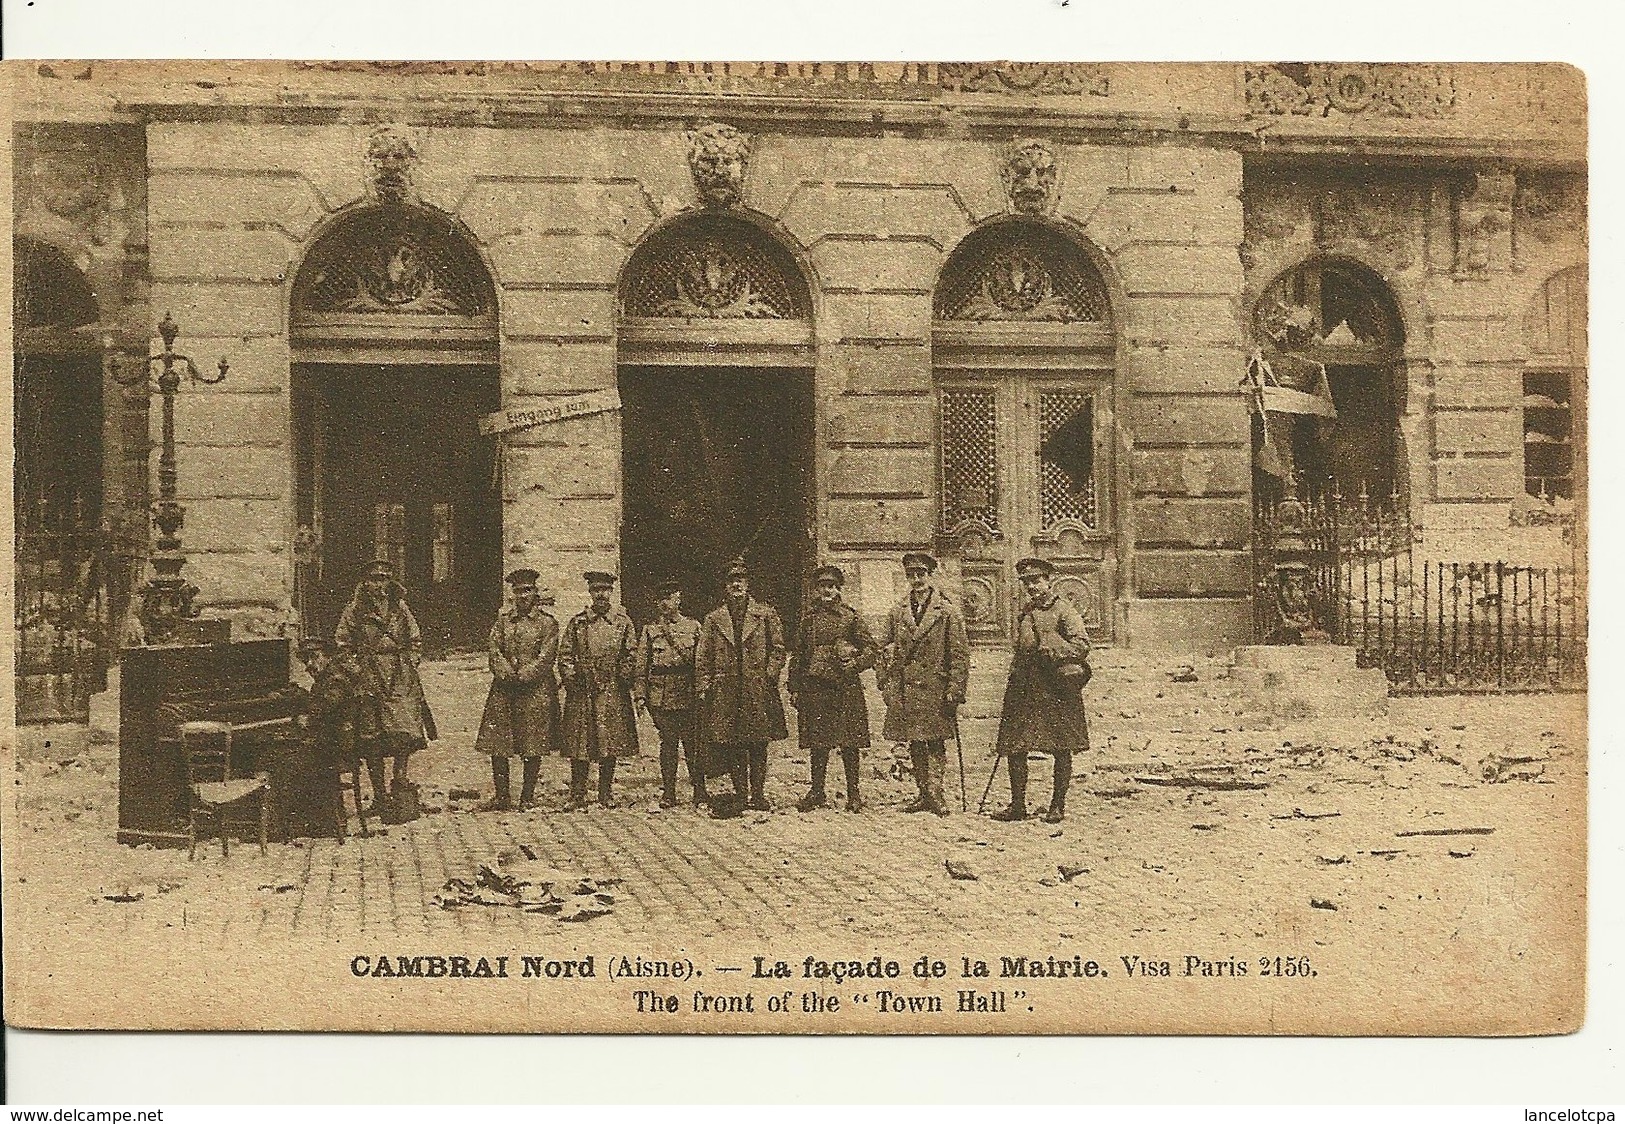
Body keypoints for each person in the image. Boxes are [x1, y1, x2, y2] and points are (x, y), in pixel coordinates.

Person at [993, 556, 1092, 824]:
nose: (1032, 587)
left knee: (1062, 747)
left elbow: (1082, 645)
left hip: (1055, 686)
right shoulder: (1025, 612)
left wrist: (1053, 649)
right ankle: (1017, 805)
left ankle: (1057, 805)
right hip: (1025, 686)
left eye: (1036, 581)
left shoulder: (1064, 610)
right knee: (1015, 746)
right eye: (1027, 582)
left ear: (1048, 581)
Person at [334, 558, 430, 822]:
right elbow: (342, 644)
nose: (380, 583)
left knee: (404, 733)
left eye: (385, 578)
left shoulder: (400, 607)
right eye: (375, 578)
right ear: (366, 581)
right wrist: (357, 671)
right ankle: (379, 796)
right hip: (369, 678)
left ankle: (399, 786)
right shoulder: (354, 610)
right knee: (371, 738)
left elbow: (415, 638)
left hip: (400, 678)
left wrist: (411, 662)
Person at [877, 551, 970, 816]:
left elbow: (960, 655)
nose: (916, 579)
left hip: (935, 688)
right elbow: (882, 648)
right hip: (907, 688)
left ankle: (936, 793)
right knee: (915, 741)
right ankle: (923, 794)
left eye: (921, 574)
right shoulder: (897, 612)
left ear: (931, 576)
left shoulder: (947, 612)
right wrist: (885, 683)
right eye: (911, 575)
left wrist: (955, 689)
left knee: (935, 741)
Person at [695, 557, 787, 814]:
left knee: (758, 742)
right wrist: (704, 687)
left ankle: (758, 795)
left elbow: (778, 649)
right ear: (725, 586)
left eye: (741, 580)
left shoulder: (765, 614)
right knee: (733, 743)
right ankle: (740, 794)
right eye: (732, 581)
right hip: (725, 691)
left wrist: (769, 675)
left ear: (748, 584)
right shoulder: (714, 619)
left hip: (757, 688)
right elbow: (703, 657)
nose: (737, 584)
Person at [789, 564, 879, 813]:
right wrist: (794, 686)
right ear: (816, 590)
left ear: (838, 588)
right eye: (822, 587)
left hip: (845, 688)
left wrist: (853, 665)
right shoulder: (809, 620)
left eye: (830, 586)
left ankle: (854, 794)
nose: (826, 591)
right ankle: (817, 792)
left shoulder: (851, 617)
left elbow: (871, 650)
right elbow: (798, 655)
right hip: (815, 687)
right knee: (819, 743)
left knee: (850, 743)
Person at [473, 568, 561, 811]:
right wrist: (506, 673)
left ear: (535, 593)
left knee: (533, 743)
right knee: (498, 743)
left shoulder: (547, 623)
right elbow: (494, 649)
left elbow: (547, 655)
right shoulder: (503, 621)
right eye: (518, 591)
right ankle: (502, 796)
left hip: (534, 690)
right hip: (504, 689)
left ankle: (527, 796)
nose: (522, 596)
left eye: (527, 591)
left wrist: (524, 675)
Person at [559, 571, 640, 810]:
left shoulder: (623, 622)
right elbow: (565, 655)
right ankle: (577, 793)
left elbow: (631, 653)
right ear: (590, 593)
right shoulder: (578, 622)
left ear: (611, 592)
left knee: (609, 743)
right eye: (596, 590)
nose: (601, 594)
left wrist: (623, 676)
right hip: (583, 691)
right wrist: (572, 679)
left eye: (605, 590)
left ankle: (606, 792)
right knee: (580, 744)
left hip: (612, 689)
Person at [634, 578, 705, 809]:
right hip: (661, 696)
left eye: (670, 597)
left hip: (688, 692)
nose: (666, 603)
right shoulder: (650, 630)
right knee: (668, 744)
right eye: (661, 599)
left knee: (693, 744)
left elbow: (703, 662)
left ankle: (700, 790)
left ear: (679, 598)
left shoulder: (694, 627)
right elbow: (641, 666)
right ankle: (670, 793)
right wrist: (641, 696)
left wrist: (703, 689)